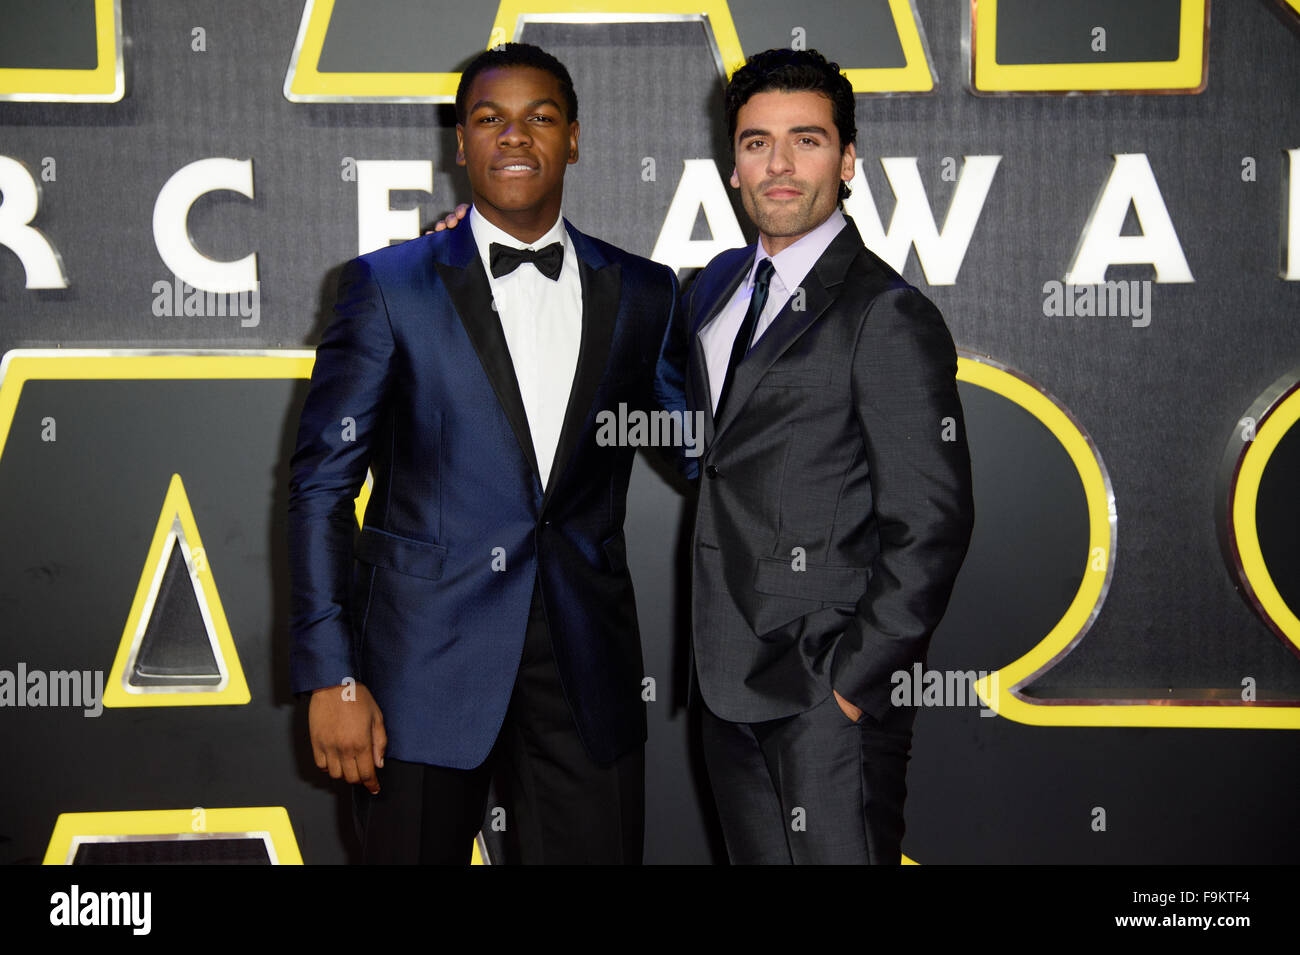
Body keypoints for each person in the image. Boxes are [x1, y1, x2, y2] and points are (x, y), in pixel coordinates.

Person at [287, 42, 686, 864]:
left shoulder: (646, 292)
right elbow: (322, 488)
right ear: (460, 143)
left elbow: (695, 452)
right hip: (414, 674)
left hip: (588, 674)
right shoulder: (387, 286)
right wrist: (333, 674)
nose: (515, 137)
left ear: (573, 138)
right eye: (489, 120)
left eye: (540, 117)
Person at [683, 48, 975, 864]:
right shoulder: (714, 290)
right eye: (755, 143)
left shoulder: (886, 313)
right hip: (724, 686)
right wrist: (462, 247)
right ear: (733, 164)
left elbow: (933, 523)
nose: (778, 165)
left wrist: (851, 686)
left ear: (848, 161)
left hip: (823, 696)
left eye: (805, 140)